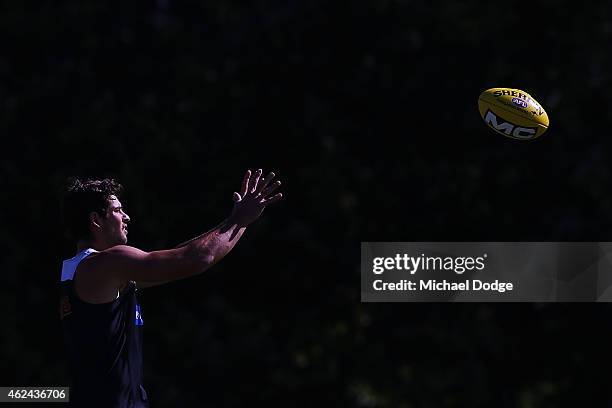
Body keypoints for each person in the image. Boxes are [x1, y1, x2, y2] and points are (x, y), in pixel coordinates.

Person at [59, 169, 282, 408]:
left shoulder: (77, 270)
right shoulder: (107, 263)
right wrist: (239, 220)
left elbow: (180, 261)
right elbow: (194, 259)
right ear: (95, 220)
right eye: (117, 210)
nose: (126, 217)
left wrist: (233, 222)